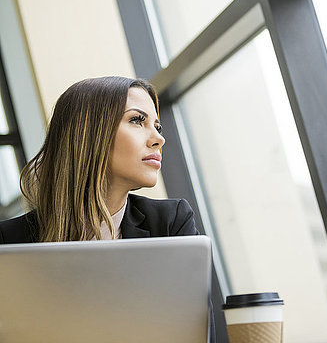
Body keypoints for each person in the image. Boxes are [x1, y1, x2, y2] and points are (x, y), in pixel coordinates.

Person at [0, 76, 215, 339]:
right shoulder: (8, 242)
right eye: (137, 120)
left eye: (157, 126)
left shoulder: (170, 223)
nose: (159, 138)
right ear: (89, 131)